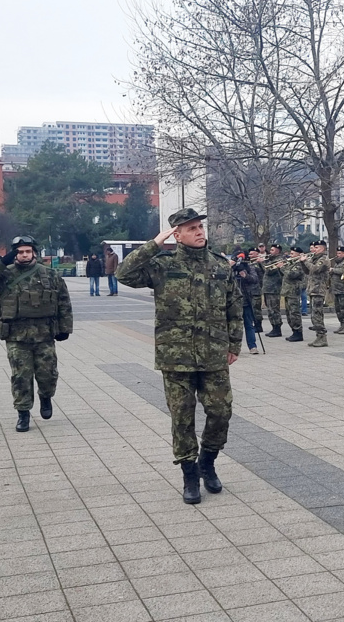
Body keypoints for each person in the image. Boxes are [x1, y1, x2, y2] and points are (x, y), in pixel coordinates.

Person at [116, 208, 243, 504]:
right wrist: (154, 244)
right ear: (178, 234)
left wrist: (234, 346)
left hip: (213, 354)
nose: (200, 232)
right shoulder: (162, 264)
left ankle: (207, 463)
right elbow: (124, 274)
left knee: (221, 411)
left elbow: (234, 307)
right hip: (176, 355)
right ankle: (189, 474)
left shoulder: (220, 265)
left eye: (200, 226)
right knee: (182, 416)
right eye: (192, 228)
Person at [0, 236, 73, 432]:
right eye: (20, 252)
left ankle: (45, 398)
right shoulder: (5, 275)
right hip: (16, 336)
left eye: (27, 251)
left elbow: (63, 302)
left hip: (44, 334)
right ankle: (23, 414)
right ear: (14, 254)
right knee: (21, 376)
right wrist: (1, 262)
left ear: (34, 253)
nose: (24, 255)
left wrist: (65, 328)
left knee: (47, 374)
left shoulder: (50, 274)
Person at [302, 240, 331, 347]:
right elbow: (307, 271)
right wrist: (302, 262)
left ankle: (322, 337)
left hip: (319, 290)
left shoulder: (324, 259)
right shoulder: (315, 258)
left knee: (317, 315)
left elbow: (315, 269)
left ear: (323, 248)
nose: (314, 249)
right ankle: (318, 336)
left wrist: (306, 261)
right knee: (314, 315)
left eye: (317, 247)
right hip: (313, 289)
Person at [232, 254, 261, 355]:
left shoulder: (249, 267)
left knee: (249, 324)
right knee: (233, 326)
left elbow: (255, 279)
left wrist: (245, 275)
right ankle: (232, 348)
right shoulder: (230, 267)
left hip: (246, 300)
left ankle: (252, 346)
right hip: (233, 301)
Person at [282, 246, 307, 342]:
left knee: (294, 313)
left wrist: (282, 267)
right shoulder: (291, 263)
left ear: (299, 254)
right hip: (288, 291)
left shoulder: (299, 264)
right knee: (289, 313)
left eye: (292, 254)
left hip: (293, 291)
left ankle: (298, 332)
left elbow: (291, 275)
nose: (290, 255)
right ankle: (293, 331)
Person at [261, 244, 285, 337]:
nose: (270, 252)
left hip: (274, 288)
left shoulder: (279, 260)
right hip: (268, 288)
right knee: (270, 309)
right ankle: (273, 327)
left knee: (274, 309)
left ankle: (277, 328)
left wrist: (263, 262)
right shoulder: (271, 259)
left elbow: (269, 271)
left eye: (272, 250)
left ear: (277, 251)